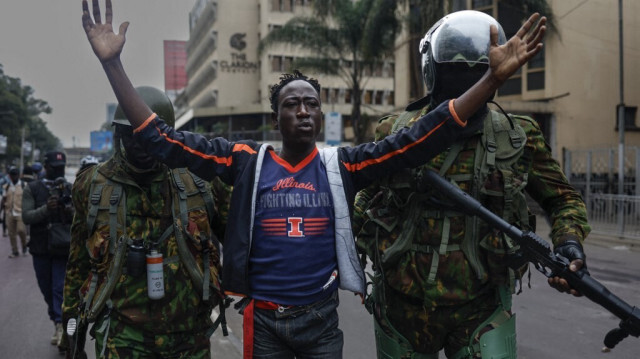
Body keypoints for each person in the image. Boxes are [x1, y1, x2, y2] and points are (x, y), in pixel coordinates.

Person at [81, 1, 545, 357]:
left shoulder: (342, 166)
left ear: (320, 115)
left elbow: (424, 136)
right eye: (291, 103)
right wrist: (112, 66)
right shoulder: (245, 162)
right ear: (276, 116)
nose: (303, 110)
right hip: (264, 322)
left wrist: (489, 81)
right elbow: (162, 140)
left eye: (311, 103)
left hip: (321, 323)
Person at [352, 10, 590, 359]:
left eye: (473, 69)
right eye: (453, 67)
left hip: (482, 306)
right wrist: (347, 259)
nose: (461, 77)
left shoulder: (517, 135)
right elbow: (365, 198)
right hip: (401, 306)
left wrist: (569, 244)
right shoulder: (396, 131)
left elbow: (563, 199)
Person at [62, 86, 227, 359]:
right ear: (119, 134)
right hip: (122, 334)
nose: (140, 145)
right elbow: (78, 260)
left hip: (191, 333)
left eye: (148, 136)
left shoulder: (202, 179)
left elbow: (240, 242)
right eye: (131, 135)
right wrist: (72, 332)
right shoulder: (93, 185)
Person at [22, 151, 74, 351]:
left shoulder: (69, 188)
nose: (57, 171)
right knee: (46, 288)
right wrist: (46, 209)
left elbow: (81, 216)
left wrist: (69, 211)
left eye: (61, 168)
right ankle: (56, 321)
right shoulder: (33, 188)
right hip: (41, 247)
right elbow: (27, 216)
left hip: (62, 247)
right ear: (46, 166)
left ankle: (62, 327)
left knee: (59, 287)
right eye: (54, 167)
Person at [2, 166, 28, 257]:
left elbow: (27, 199)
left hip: (20, 212)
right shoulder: (7, 186)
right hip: (9, 212)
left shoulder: (24, 185)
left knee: (21, 230)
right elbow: (4, 200)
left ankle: (24, 246)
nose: (14, 177)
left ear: (19, 175)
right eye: (12, 175)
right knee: (11, 233)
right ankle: (15, 251)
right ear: (10, 176)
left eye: (15, 174)